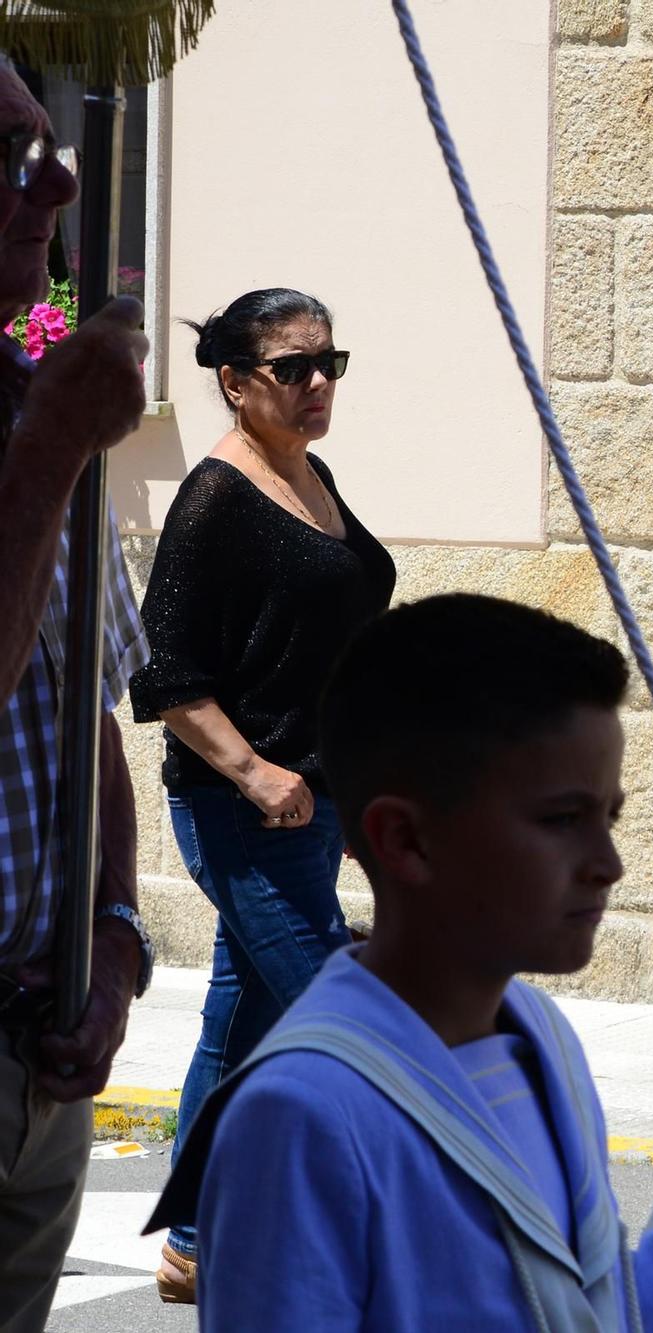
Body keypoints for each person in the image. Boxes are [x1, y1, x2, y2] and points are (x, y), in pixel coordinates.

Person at [147, 593, 653, 1331]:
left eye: (608, 817)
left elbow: (593, 1311)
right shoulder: (299, 1116)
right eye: (562, 820)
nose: (608, 863)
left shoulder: (542, 1036)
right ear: (406, 841)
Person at [127, 287, 394, 1301]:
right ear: (235, 383)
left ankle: (193, 1240)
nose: (319, 383)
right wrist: (252, 770)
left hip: (316, 800)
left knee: (236, 1021)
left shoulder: (311, 475)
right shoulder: (213, 499)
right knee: (348, 1011)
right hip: (243, 809)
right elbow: (162, 676)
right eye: (294, 368)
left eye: (330, 362)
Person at [0, 63, 156, 1332]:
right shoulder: (47, 421)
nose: (54, 183)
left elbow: (90, 712)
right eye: (8, 156)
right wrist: (49, 453)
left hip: (36, 1052)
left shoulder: (32, 380)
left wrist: (111, 931)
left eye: (49, 147)